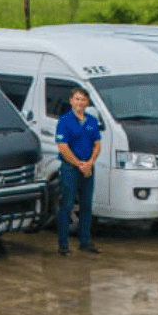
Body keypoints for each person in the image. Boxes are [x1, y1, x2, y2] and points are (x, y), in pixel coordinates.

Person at [54, 86, 103, 255]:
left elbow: (97, 144)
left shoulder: (91, 121)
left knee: (87, 206)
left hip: (88, 169)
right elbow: (63, 147)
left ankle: (85, 242)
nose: (80, 102)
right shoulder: (65, 121)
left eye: (83, 99)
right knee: (66, 205)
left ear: (87, 102)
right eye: (77, 99)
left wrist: (89, 163)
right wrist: (79, 164)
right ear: (71, 101)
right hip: (70, 169)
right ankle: (63, 245)